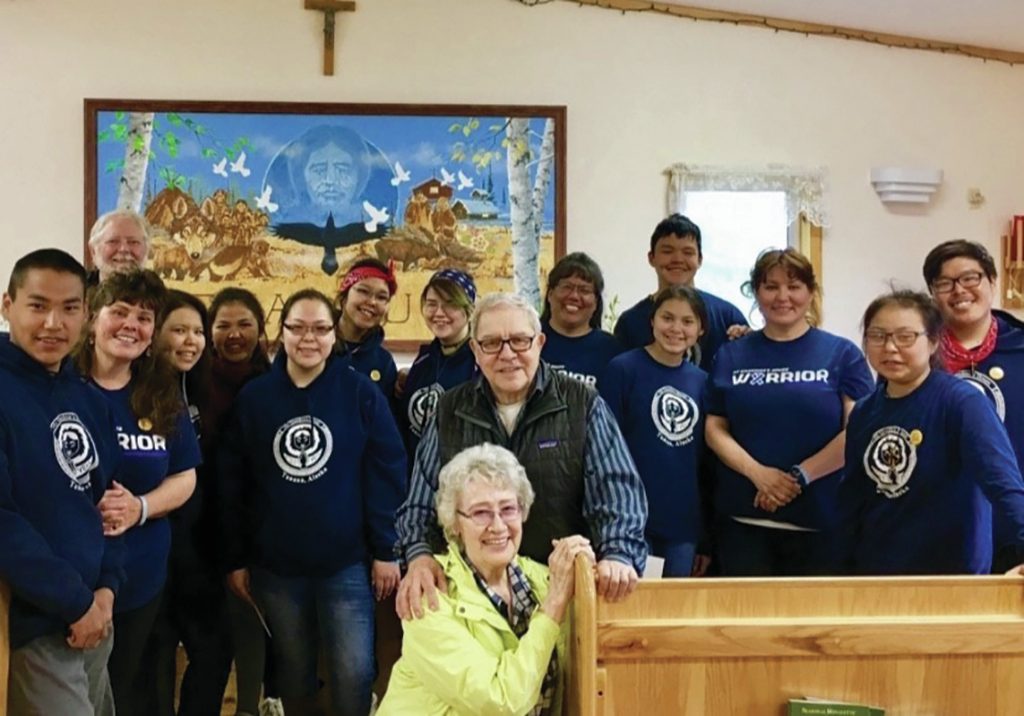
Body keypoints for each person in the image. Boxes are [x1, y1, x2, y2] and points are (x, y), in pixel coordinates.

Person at [395, 292, 648, 619]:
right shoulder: (449, 409)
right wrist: (418, 555)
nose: (507, 354)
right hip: (472, 599)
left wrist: (618, 553)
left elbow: (617, 490)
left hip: (561, 590)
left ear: (540, 343)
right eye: (491, 343)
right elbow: (420, 500)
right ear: (474, 349)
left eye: (519, 341)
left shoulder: (582, 403)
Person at [219, 288, 407, 716]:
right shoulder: (255, 398)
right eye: (297, 328)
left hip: (346, 563)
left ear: (332, 335)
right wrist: (236, 558)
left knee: (355, 672)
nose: (309, 338)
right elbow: (233, 485)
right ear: (280, 333)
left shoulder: (359, 394)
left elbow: (387, 473)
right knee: (294, 672)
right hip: (275, 568)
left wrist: (385, 550)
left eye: (320, 329)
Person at [379, 444, 594, 715]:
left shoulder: (543, 579)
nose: (498, 526)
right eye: (481, 512)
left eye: (508, 509)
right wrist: (551, 609)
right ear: (454, 523)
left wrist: (584, 564)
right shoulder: (428, 597)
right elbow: (499, 701)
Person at [0, 249, 123, 715]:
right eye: (37, 305)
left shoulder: (86, 399)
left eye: (70, 308)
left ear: (86, 315)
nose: (54, 322)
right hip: (34, 623)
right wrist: (74, 602)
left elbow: (106, 502)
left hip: (94, 618)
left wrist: (107, 588)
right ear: (6, 304)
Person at [72, 269, 200, 715]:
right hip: (68, 577)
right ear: (92, 317)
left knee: (122, 691)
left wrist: (139, 508)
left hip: (140, 576)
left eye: (144, 317)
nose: (131, 325)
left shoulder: (160, 393)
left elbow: (185, 476)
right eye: (119, 311)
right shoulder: (62, 383)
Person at [705, 248, 873, 576]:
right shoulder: (731, 354)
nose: (783, 296)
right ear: (756, 292)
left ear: (811, 293)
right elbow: (715, 427)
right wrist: (759, 474)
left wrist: (799, 476)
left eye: (794, 286)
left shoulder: (841, 354)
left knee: (816, 628)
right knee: (748, 626)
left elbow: (858, 429)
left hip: (822, 524)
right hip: (744, 521)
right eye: (771, 286)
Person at [839, 289, 1024, 574]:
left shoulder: (962, 402)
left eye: (905, 336)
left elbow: (1003, 484)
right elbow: (852, 497)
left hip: (951, 574)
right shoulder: (864, 411)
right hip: (877, 573)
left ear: (934, 341)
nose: (890, 348)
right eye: (878, 336)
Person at [143, 290, 234, 716]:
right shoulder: (137, 392)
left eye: (198, 331)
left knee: (214, 650)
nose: (191, 341)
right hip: (152, 552)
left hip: (198, 553)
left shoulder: (199, 388)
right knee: (155, 660)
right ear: (154, 333)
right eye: (178, 330)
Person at [922, 240, 1024, 572]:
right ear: (933, 294)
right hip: (941, 521)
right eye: (945, 283)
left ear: (992, 282)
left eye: (970, 278)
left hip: (1014, 521)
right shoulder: (916, 356)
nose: (959, 291)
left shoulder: (1020, 345)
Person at [601, 286, 711, 577]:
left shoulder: (703, 382)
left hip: (682, 525)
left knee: (673, 613)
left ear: (700, 329)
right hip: (632, 522)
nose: (676, 328)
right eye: (667, 318)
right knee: (638, 607)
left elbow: (705, 463)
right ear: (652, 321)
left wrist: (705, 538)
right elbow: (604, 448)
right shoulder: (623, 370)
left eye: (687, 321)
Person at [206, 287, 279, 716]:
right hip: (197, 532)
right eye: (224, 325)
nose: (234, 335)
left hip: (257, 535)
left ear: (261, 330)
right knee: (210, 646)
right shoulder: (192, 383)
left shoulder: (275, 385)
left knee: (256, 638)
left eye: (244, 324)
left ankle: (250, 708)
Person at [613, 214, 746, 370]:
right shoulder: (629, 323)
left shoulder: (727, 317)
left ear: (700, 259)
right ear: (651, 258)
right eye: (667, 251)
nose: (677, 259)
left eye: (688, 252)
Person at [398, 268, 479, 463]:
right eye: (432, 304)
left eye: (450, 304)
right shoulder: (424, 360)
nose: (439, 313)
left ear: (468, 310)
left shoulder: (481, 362)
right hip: (415, 480)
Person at [540, 252, 622, 387]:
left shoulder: (613, 352)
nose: (574, 296)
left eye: (584, 290)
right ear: (550, 294)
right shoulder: (527, 341)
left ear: (596, 302)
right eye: (567, 287)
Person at [335, 257, 399, 397]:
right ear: (344, 296)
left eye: (382, 297)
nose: (372, 302)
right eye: (363, 291)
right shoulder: (313, 346)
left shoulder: (384, 362)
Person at [88, 209, 151, 283]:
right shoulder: (77, 292)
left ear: (146, 250)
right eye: (113, 241)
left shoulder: (161, 293)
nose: (124, 249)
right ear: (93, 251)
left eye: (133, 242)